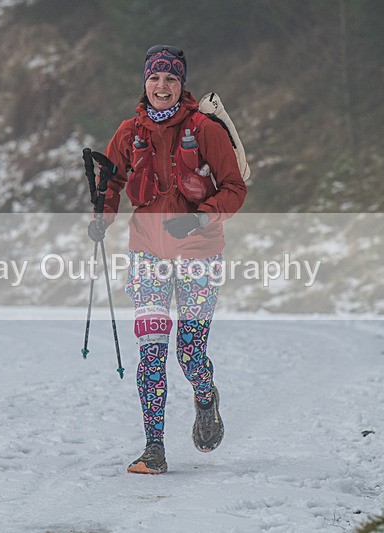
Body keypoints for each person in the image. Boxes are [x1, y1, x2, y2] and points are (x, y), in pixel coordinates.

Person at [88, 45, 247, 474]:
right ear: (145, 82)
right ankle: (153, 447)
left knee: (190, 354)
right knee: (152, 353)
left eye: (171, 79)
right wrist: (101, 219)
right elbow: (111, 182)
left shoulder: (205, 129)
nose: (162, 86)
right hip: (147, 253)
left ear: (182, 85)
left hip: (200, 252)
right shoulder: (128, 132)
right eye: (155, 78)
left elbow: (234, 188)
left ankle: (205, 394)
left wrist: (198, 219)